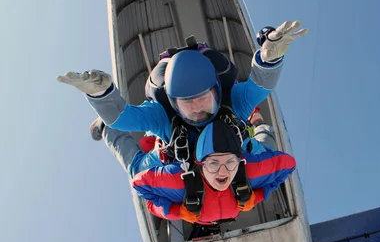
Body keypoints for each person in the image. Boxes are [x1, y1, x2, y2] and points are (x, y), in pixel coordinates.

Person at [56, 21, 307, 177]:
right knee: (137, 169)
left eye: (203, 98)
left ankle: (261, 127)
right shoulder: (162, 113)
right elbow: (124, 118)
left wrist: (271, 58)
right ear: (174, 103)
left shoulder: (232, 100)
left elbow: (261, 84)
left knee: (268, 150)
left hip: (227, 151)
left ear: (217, 90)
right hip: (176, 154)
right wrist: (101, 94)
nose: (197, 108)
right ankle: (103, 127)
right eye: (187, 103)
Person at [131, 117, 296, 226]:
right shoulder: (178, 182)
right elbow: (139, 185)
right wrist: (175, 212)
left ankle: (258, 122)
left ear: (240, 160)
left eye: (230, 162)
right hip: (168, 142)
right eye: (213, 163)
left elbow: (288, 165)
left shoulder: (251, 171)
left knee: (266, 141)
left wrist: (258, 196)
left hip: (242, 151)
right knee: (133, 167)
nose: (222, 172)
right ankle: (109, 128)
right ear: (200, 164)